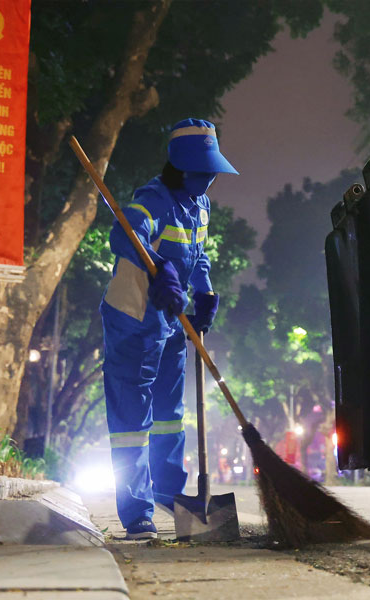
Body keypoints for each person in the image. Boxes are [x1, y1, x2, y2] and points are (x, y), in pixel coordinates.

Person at [100, 118, 237, 540]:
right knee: (132, 421)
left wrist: (205, 292)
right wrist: (160, 271)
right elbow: (124, 236)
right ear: (181, 167)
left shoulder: (201, 206)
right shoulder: (154, 198)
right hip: (134, 318)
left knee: (169, 417)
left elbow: (198, 256)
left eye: (213, 170)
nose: (210, 178)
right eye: (202, 170)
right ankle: (137, 513)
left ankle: (170, 496)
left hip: (172, 322)